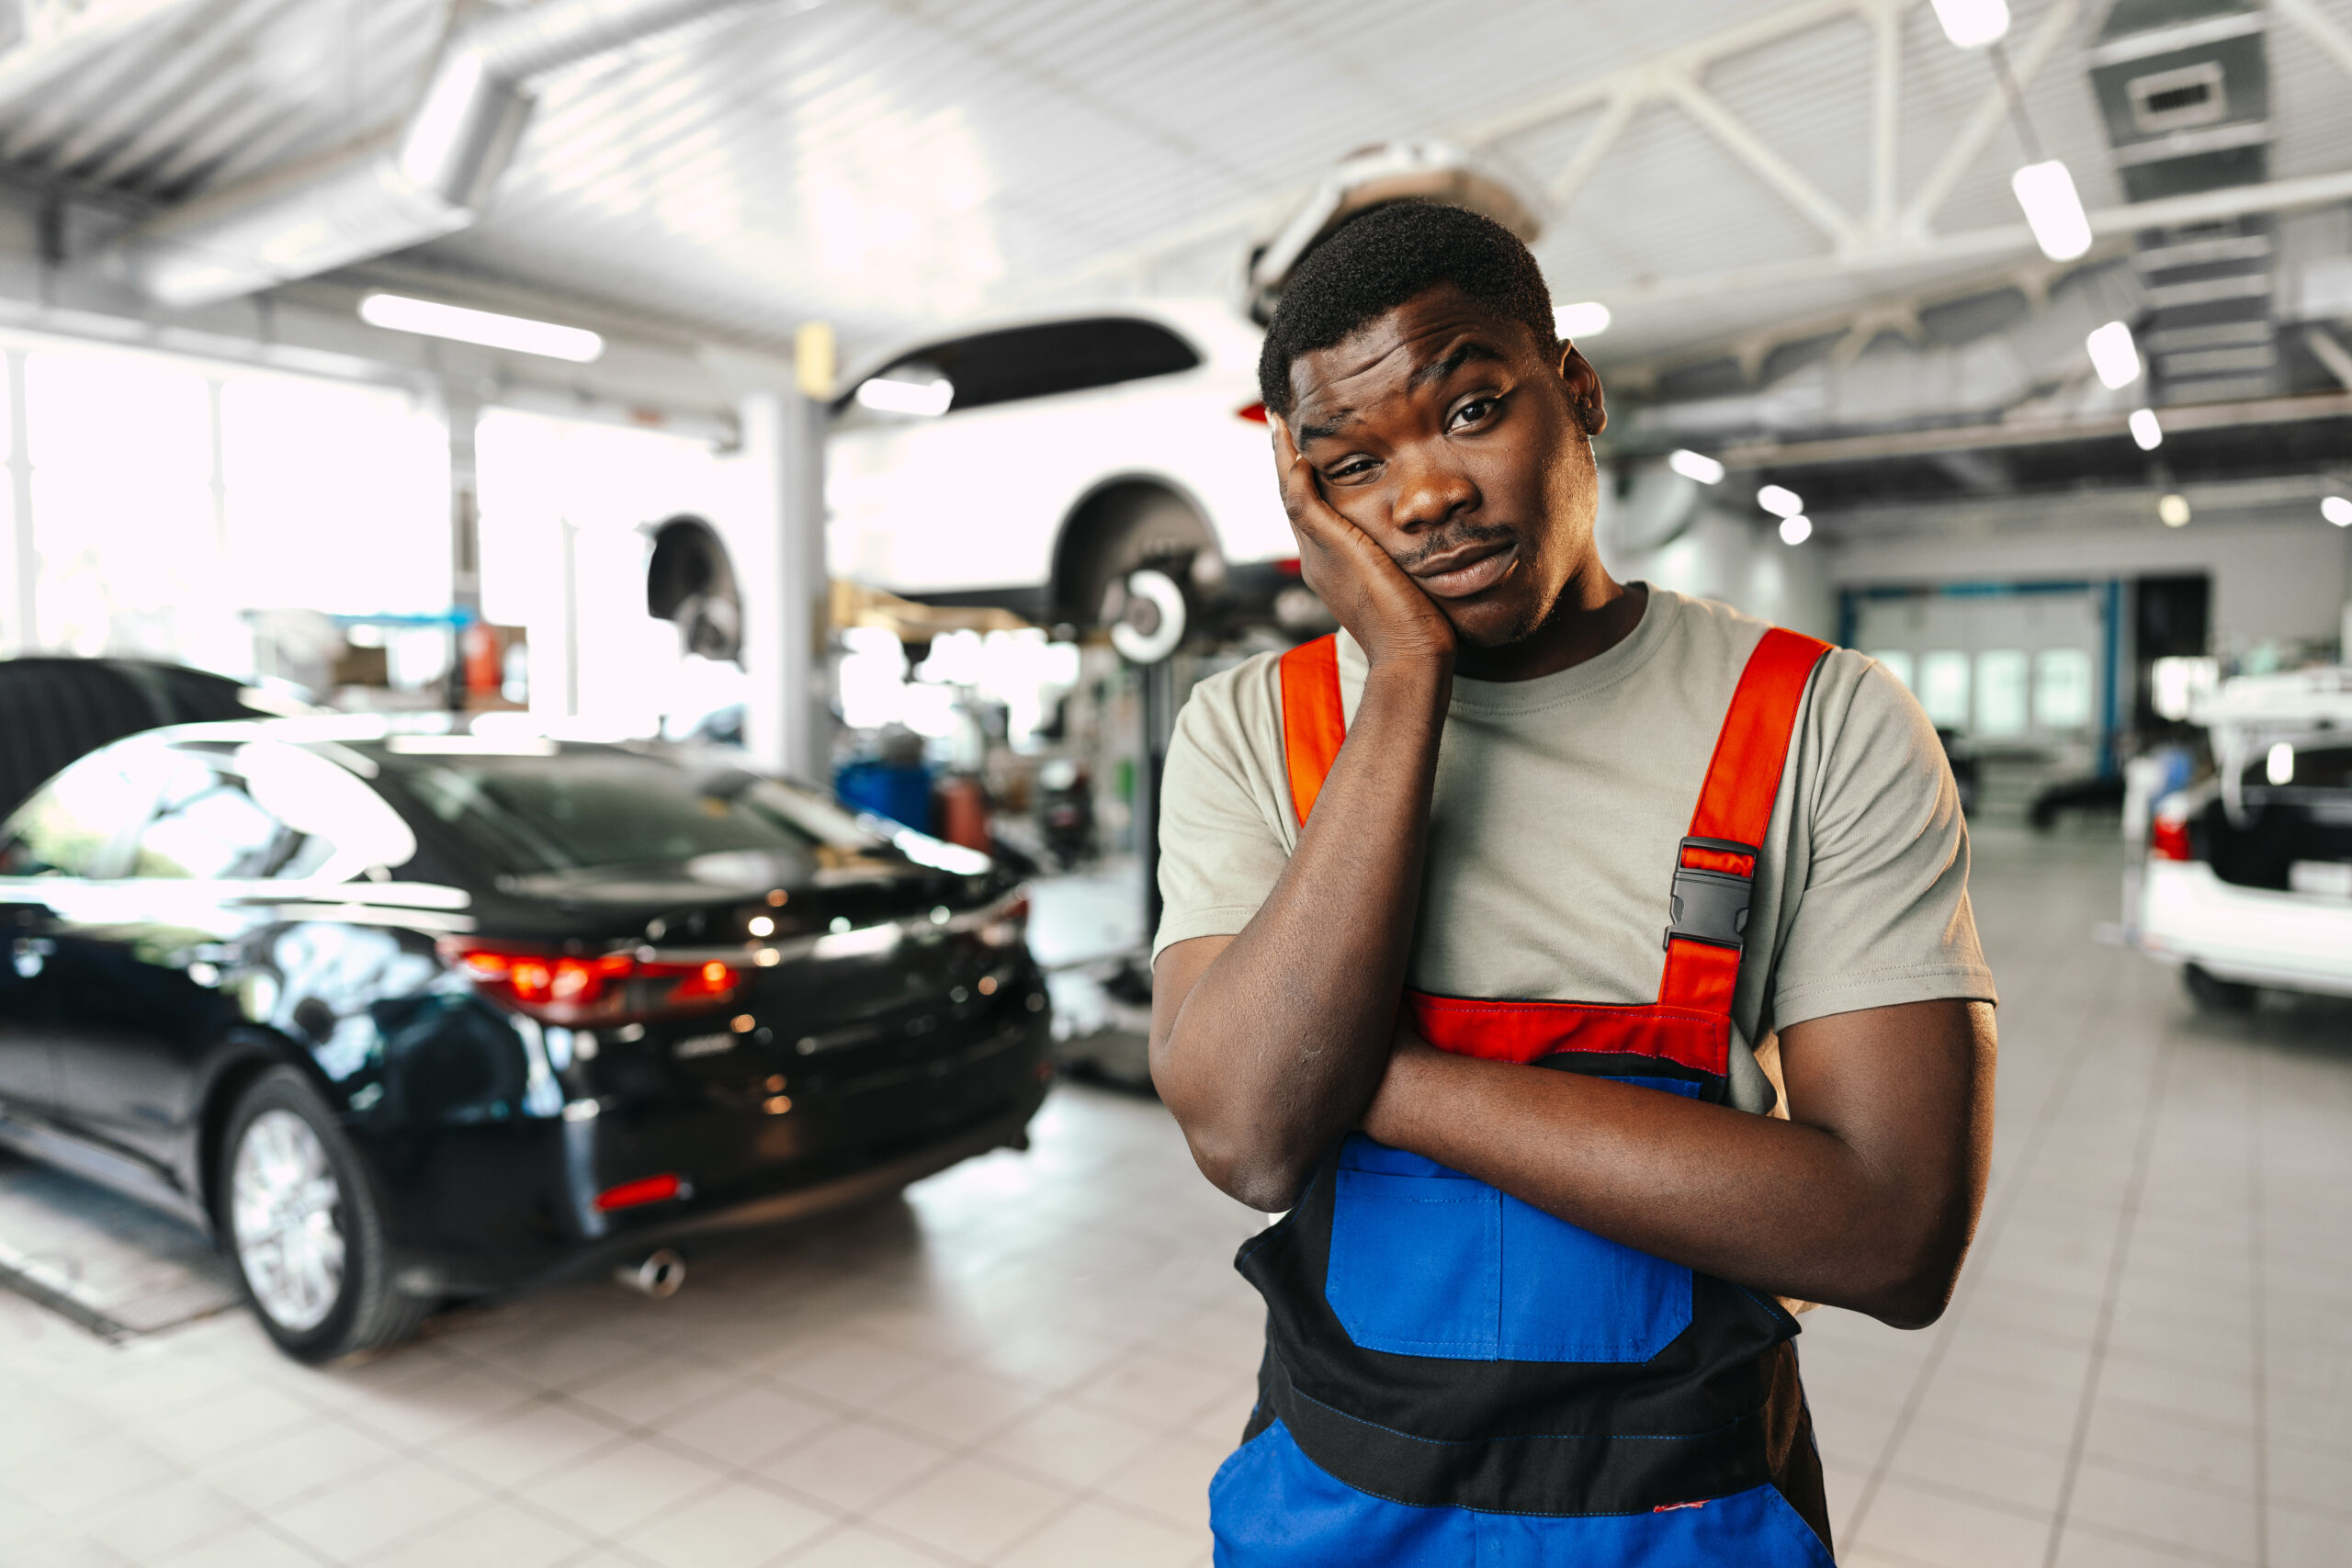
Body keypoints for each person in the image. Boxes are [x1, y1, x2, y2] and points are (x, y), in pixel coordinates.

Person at [1148, 200, 1996, 1566]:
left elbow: (1892, 1232)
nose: (1425, 494)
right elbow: (1248, 1145)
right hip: (1337, 1499)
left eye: (1473, 407)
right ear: (1308, 499)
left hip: (1687, 1516)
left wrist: (1359, 1073)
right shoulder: (1258, 725)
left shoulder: (1817, 723)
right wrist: (1406, 680)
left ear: (1577, 391)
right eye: (1355, 464)